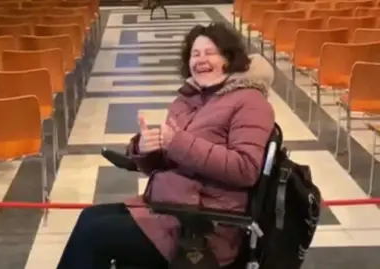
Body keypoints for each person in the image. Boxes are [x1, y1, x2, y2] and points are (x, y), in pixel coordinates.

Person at [56, 22, 275, 269]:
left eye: (210, 52)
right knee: (89, 217)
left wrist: (177, 142)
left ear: (228, 58)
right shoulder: (189, 99)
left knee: (94, 235)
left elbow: (245, 169)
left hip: (202, 226)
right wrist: (146, 149)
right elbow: (171, 160)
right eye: (195, 54)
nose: (201, 59)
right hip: (168, 207)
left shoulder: (249, 101)